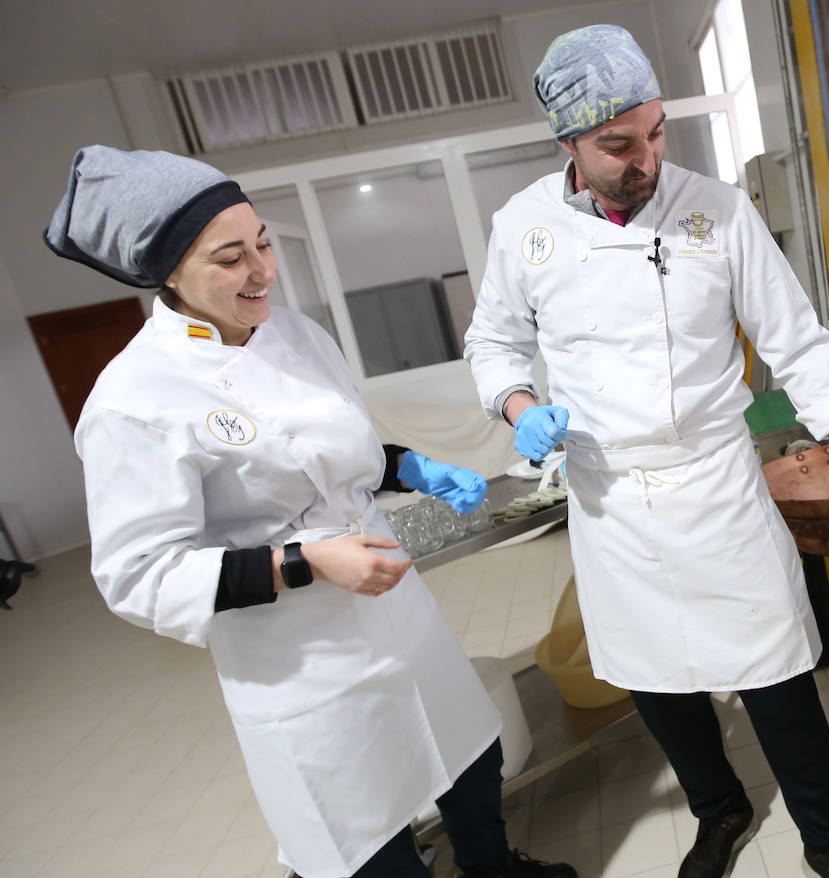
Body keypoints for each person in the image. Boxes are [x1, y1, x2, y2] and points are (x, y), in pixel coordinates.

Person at [464, 25, 829, 878]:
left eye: (656, 132)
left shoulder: (718, 210)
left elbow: (795, 342)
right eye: (618, 145)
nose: (646, 158)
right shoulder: (523, 226)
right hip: (609, 497)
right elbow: (489, 345)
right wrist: (519, 401)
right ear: (568, 143)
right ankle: (721, 811)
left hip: (716, 481)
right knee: (656, 681)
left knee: (775, 673)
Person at [44, 146, 575, 878]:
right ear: (168, 274)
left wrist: (407, 466)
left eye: (261, 242)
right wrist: (303, 562)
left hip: (397, 615)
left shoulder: (294, 333)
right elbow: (139, 577)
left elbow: (337, 450)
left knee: (468, 757)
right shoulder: (133, 400)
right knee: (369, 833)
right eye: (230, 258)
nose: (263, 271)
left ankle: (495, 869)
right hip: (300, 659)